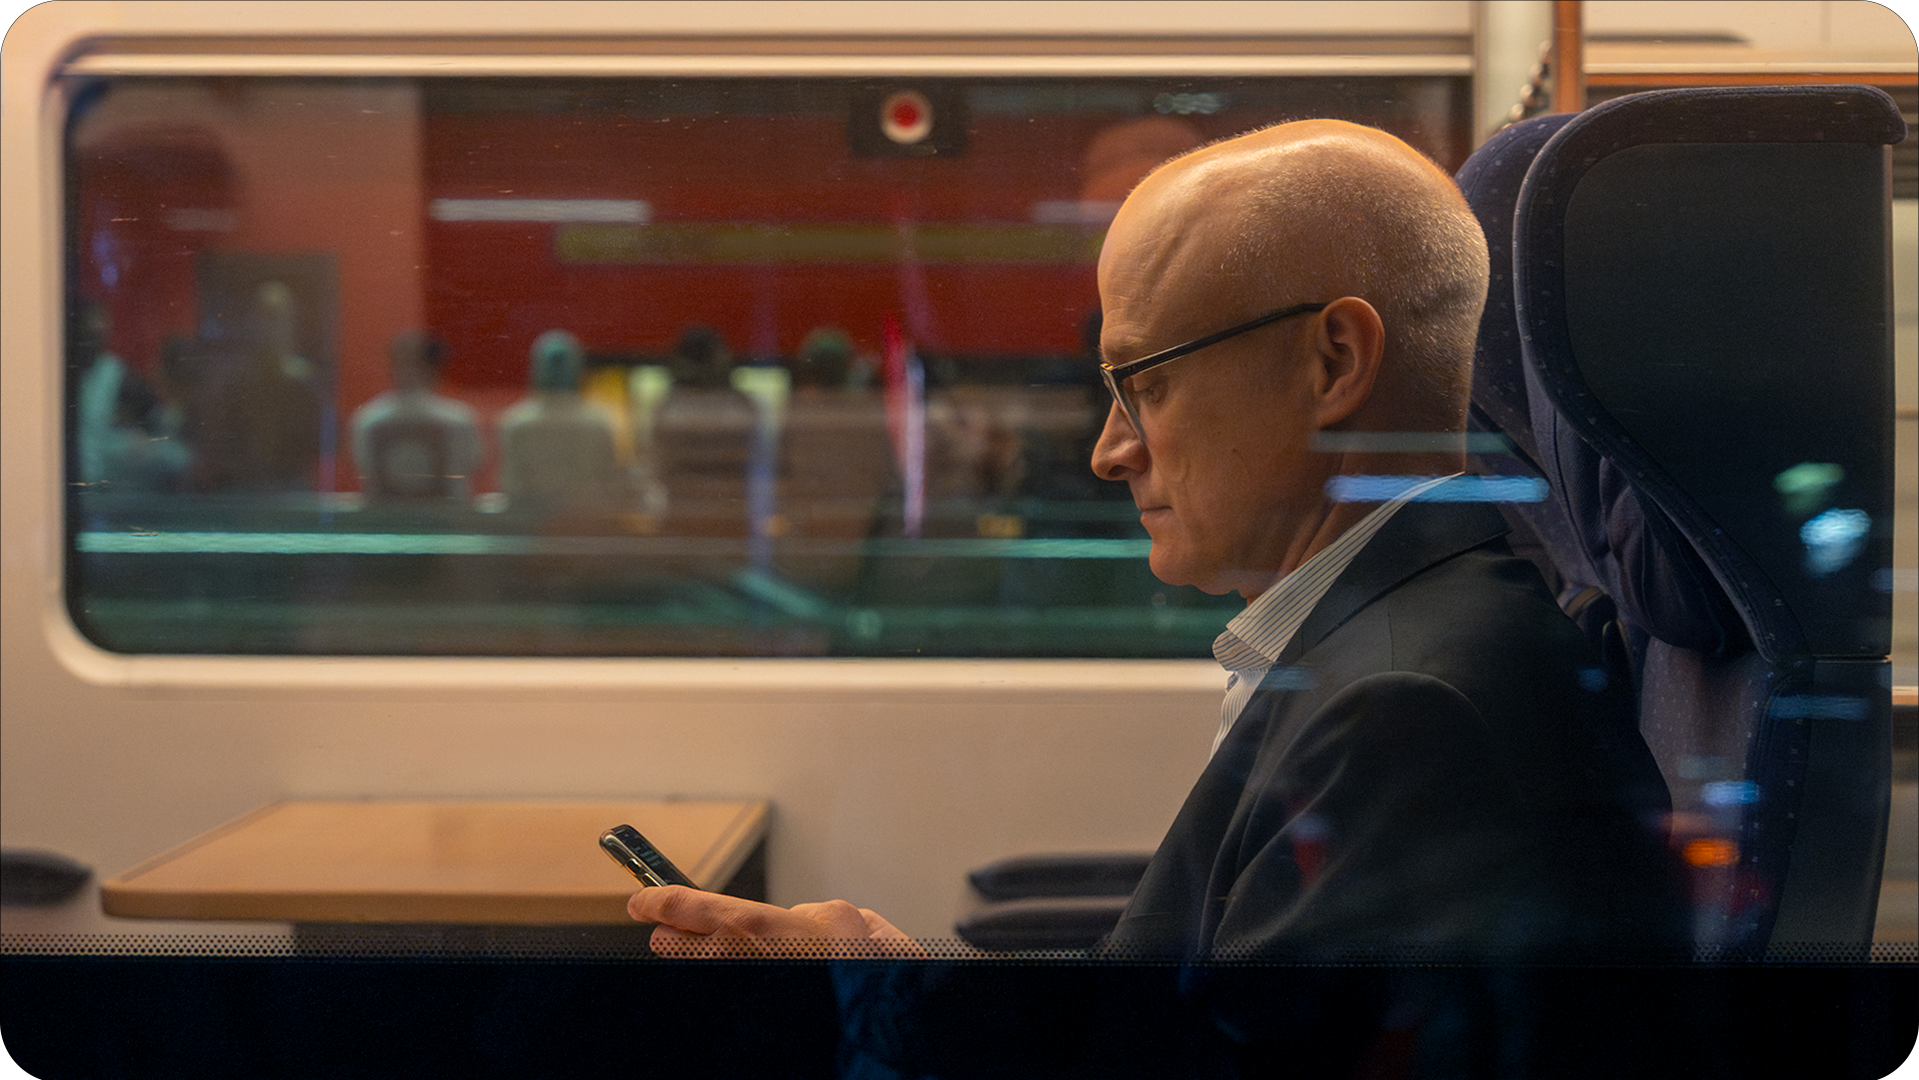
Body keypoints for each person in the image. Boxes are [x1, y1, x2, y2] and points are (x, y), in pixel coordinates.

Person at [628, 120, 1685, 962]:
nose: (1105, 451)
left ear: (1330, 362)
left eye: (1145, 384)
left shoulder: (1411, 713)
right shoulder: (1378, 646)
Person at [350, 330, 482, 501]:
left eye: (411, 363)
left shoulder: (368, 418)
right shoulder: (460, 419)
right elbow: (472, 465)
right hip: (432, 520)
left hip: (398, 520)